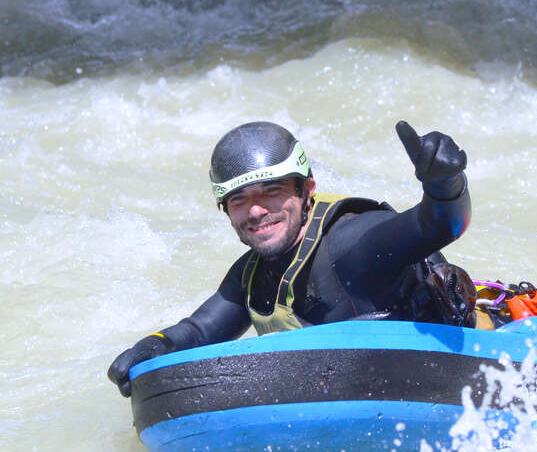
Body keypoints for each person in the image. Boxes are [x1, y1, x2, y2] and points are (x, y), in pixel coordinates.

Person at [108, 120, 475, 397]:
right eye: (238, 200)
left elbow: (439, 225)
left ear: (306, 190)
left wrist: (446, 185)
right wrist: (156, 346)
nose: (255, 210)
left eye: (272, 191)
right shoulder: (252, 274)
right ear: (226, 211)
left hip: (431, 383)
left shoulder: (352, 243)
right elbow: (199, 331)